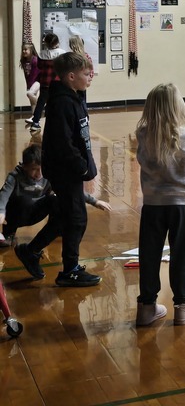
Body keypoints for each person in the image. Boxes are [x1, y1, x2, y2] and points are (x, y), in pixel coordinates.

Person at [134, 83, 185, 326]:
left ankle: (146, 307)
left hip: (152, 205)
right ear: (177, 107)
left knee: (149, 256)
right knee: (182, 255)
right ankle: (183, 306)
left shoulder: (143, 134)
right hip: (181, 205)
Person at [14, 52, 99, 286]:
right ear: (71, 76)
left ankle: (31, 251)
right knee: (77, 218)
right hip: (65, 170)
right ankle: (69, 270)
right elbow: (63, 142)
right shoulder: (62, 102)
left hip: (68, 168)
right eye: (85, 73)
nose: (90, 75)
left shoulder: (74, 96)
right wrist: (82, 168)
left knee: (63, 216)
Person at [0, 145, 111, 247]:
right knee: (24, 200)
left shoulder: (48, 175)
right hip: (16, 214)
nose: (38, 173)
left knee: (57, 198)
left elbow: (70, 190)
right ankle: (9, 233)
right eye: (34, 169)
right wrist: (1, 211)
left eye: (41, 169)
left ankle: (55, 229)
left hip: (35, 213)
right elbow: (4, 194)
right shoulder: (14, 177)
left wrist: (95, 201)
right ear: (24, 167)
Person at [28, 33, 65, 132]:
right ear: (57, 42)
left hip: (45, 82)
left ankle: (35, 122)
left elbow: (39, 67)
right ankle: (58, 122)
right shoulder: (62, 53)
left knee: (41, 102)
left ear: (46, 43)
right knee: (57, 102)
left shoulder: (42, 54)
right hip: (57, 82)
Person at [20, 42, 40, 123]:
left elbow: (36, 73)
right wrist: (28, 84)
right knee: (32, 102)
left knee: (30, 94)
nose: (24, 51)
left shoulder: (34, 60)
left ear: (31, 50)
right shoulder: (24, 61)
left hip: (37, 81)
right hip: (30, 82)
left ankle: (40, 106)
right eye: (23, 50)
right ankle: (34, 117)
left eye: (26, 49)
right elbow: (27, 75)